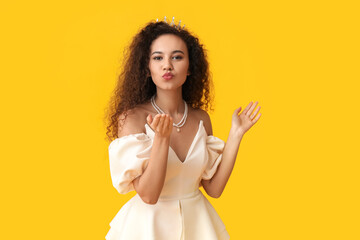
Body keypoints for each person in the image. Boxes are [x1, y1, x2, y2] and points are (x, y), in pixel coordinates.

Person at [104, 17, 261, 240]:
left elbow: (214, 189)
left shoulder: (201, 119)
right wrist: (161, 139)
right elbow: (148, 195)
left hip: (197, 227)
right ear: (147, 68)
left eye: (177, 57)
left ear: (190, 68)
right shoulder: (132, 118)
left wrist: (236, 134)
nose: (167, 65)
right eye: (158, 58)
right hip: (147, 230)